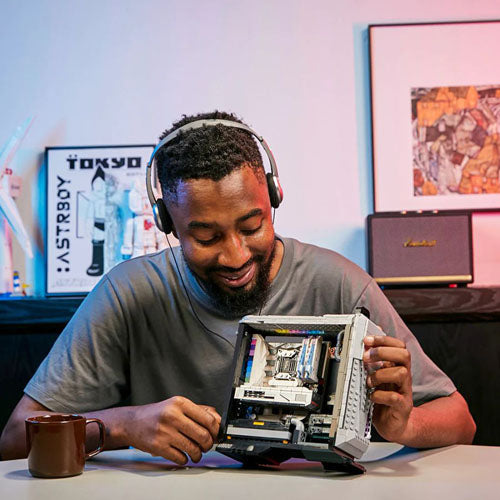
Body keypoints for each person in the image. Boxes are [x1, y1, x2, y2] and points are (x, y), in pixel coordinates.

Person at [0, 111, 476, 463]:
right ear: (167, 223)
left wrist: (405, 424)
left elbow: (460, 419)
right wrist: (123, 425)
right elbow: (16, 439)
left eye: (252, 226)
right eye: (206, 238)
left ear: (274, 197)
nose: (235, 256)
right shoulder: (129, 294)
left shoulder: (339, 283)